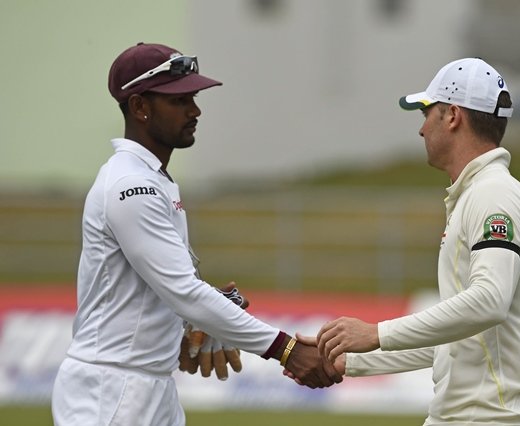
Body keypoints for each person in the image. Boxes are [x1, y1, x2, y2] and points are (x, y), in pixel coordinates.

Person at [51, 42, 341, 426]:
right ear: (140, 107)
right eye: (179, 100)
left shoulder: (150, 179)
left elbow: (162, 290)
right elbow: (183, 290)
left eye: (193, 97)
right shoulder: (129, 185)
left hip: (147, 386)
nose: (195, 110)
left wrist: (191, 324)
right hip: (112, 391)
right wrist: (285, 349)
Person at [304, 58, 520, 425]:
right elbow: (460, 342)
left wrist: (376, 333)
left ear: (452, 116)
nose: (421, 129)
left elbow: (490, 300)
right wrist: (348, 360)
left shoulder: (493, 196)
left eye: (427, 112)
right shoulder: (479, 194)